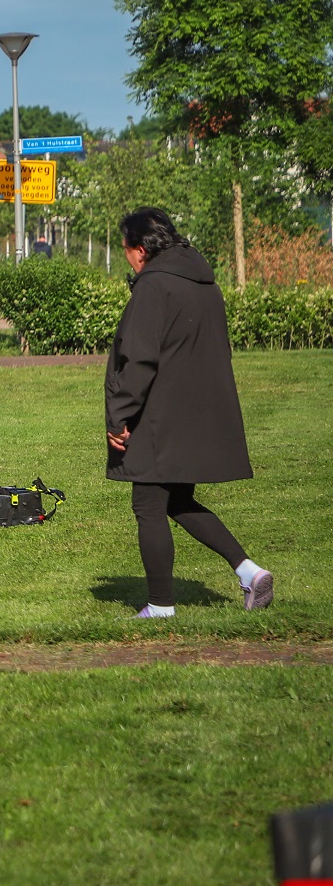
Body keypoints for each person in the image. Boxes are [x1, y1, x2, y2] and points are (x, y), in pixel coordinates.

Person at [106, 208, 272, 617]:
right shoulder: (204, 283)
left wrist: (120, 416)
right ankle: (249, 572)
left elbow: (140, 359)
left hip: (159, 413)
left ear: (141, 250)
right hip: (199, 409)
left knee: (147, 504)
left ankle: (160, 606)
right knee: (176, 500)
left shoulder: (154, 287)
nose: (127, 258)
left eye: (126, 250)